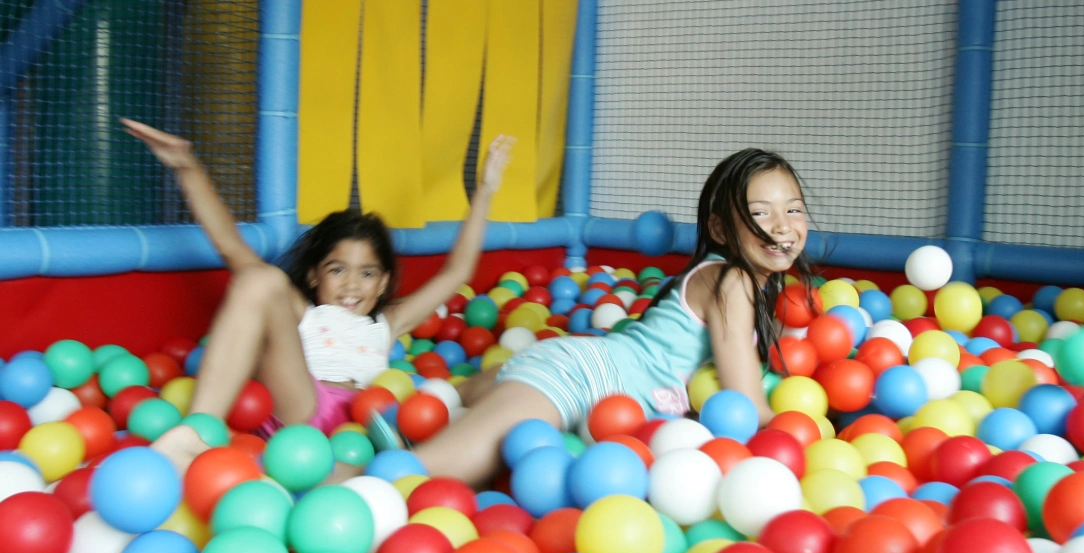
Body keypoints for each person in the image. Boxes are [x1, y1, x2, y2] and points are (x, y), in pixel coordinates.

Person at [119, 118, 514, 474]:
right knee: (259, 279)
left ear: (382, 283)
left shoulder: (387, 323)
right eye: (337, 269)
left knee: (488, 384)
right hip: (305, 404)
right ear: (313, 275)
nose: (351, 285)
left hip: (366, 425)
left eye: (367, 274)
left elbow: (457, 273)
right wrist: (187, 168)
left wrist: (485, 191)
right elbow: (232, 249)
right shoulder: (302, 311)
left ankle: (393, 461)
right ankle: (195, 435)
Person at [413, 148, 817, 486]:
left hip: (587, 372)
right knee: (419, 477)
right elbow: (746, 405)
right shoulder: (732, 281)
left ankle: (446, 401)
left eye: (794, 209)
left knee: (453, 425)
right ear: (720, 229)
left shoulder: (750, 288)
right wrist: (816, 431)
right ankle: (382, 461)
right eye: (760, 213)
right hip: (583, 378)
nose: (782, 225)